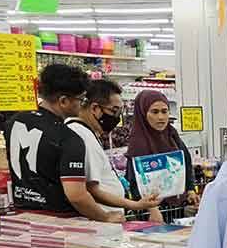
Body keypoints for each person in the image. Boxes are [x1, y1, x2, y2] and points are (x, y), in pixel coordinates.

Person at [5, 64, 123, 222]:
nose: (82, 105)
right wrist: (106, 217)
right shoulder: (69, 137)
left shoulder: (15, 122)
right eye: (80, 99)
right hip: (59, 222)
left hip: (22, 216)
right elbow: (76, 195)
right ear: (63, 101)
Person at [66, 79, 163, 221]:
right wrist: (135, 205)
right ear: (95, 109)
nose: (116, 118)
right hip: (101, 222)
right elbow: (91, 190)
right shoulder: (82, 135)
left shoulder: (84, 131)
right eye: (114, 111)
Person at [125, 90, 198, 212]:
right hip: (152, 209)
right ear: (143, 113)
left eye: (164, 111)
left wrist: (190, 189)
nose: (161, 117)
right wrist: (152, 210)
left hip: (177, 204)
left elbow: (186, 161)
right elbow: (135, 181)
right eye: (154, 112)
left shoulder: (171, 134)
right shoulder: (138, 142)